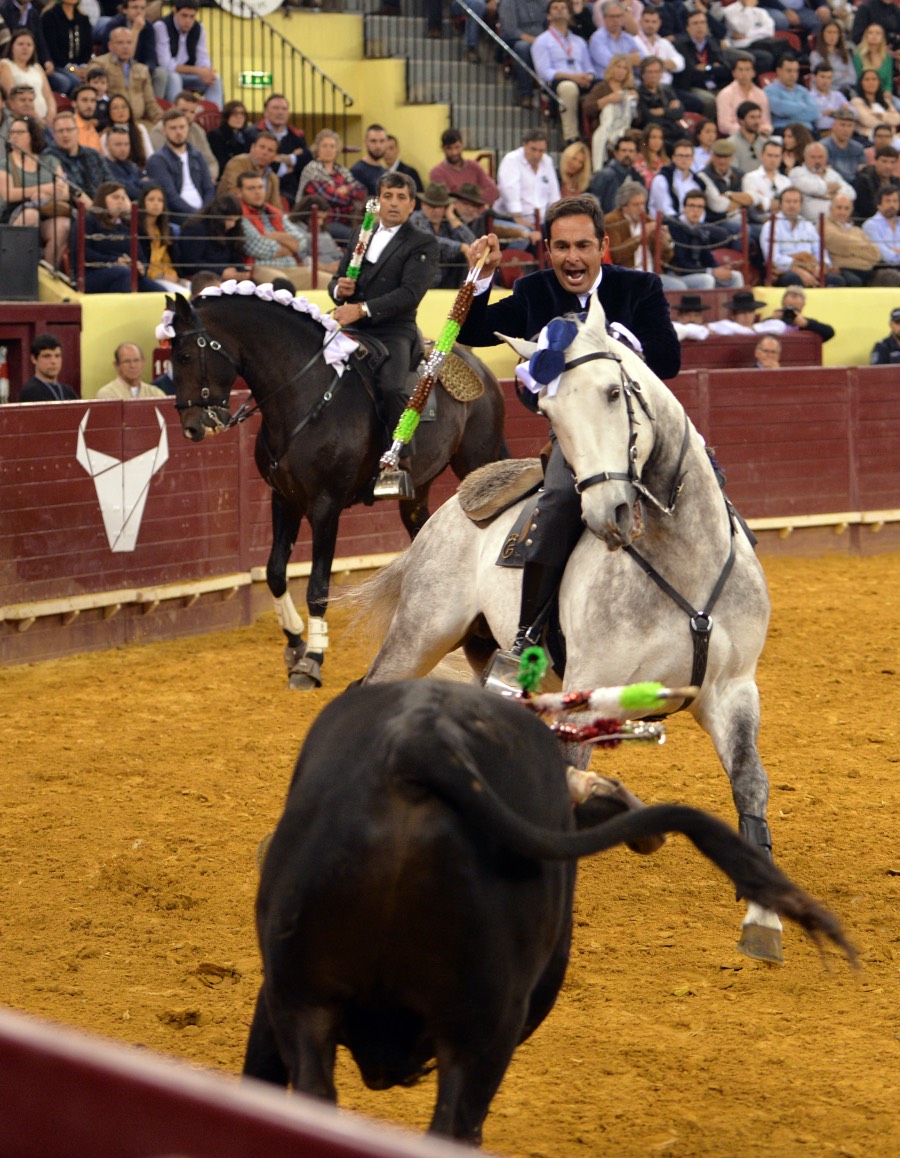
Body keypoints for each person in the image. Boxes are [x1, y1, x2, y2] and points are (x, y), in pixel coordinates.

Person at [456, 194, 680, 662]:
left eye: (582, 246)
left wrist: (616, 343)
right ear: (547, 249)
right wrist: (480, 276)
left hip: (642, 427)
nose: (571, 258)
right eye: (560, 247)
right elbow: (471, 332)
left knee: (702, 478)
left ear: (603, 246)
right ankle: (525, 637)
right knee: (558, 499)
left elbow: (669, 359)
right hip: (581, 435)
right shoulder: (534, 291)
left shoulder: (639, 287)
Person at [328, 171, 439, 479]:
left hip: (393, 330)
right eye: (388, 196)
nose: (393, 204)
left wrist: (361, 309)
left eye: (401, 198)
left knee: (390, 386)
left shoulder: (422, 242)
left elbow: (409, 294)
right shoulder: (360, 235)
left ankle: (401, 457)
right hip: (353, 326)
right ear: (377, 202)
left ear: (412, 205)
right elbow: (336, 280)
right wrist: (339, 290)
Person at [0, 116, 74, 266]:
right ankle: (20, 269)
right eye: (12, 132)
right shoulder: (5, 163)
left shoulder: (50, 161)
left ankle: (48, 271)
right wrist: (43, 189)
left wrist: (43, 196)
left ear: (32, 135)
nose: (14, 136)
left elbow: (64, 192)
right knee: (30, 215)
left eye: (20, 132)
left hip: (48, 210)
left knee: (63, 225)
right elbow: (9, 194)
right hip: (16, 212)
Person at [82, 180, 168, 293]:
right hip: (93, 273)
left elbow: (140, 256)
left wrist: (141, 267)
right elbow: (82, 252)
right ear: (102, 198)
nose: (120, 201)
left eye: (123, 198)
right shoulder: (88, 220)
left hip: (126, 272)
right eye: (115, 197)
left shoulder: (126, 225)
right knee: (123, 274)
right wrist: (115, 261)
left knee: (161, 292)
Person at [531, 0, 596, 146]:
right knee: (568, 88)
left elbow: (590, 68)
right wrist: (574, 77)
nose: (560, 10)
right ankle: (571, 137)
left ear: (569, 14)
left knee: (603, 86)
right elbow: (545, 72)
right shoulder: (542, 41)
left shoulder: (579, 41)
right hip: (557, 83)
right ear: (548, 16)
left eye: (563, 8)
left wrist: (589, 77)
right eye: (555, 8)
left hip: (583, 80)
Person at [236, 170, 311, 289]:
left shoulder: (272, 211)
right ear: (239, 192)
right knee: (283, 285)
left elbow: (301, 242)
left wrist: (275, 236)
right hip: (261, 268)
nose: (258, 192)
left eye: (260, 187)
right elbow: (259, 248)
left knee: (325, 281)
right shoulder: (239, 215)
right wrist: (289, 246)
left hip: (291, 266)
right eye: (251, 188)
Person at [760, 185, 846, 286]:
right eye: (788, 202)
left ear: (800, 204)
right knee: (793, 279)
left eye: (795, 202)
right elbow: (773, 258)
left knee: (836, 280)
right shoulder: (770, 226)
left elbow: (820, 251)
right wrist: (799, 269)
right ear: (780, 204)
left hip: (811, 267)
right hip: (785, 271)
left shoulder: (808, 225)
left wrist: (820, 267)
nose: (792, 205)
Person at [296, 127, 367, 243]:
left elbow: (362, 191)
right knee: (356, 237)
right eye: (324, 146)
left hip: (348, 219)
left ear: (337, 150)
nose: (328, 150)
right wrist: (349, 192)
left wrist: (345, 190)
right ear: (317, 149)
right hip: (323, 222)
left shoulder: (341, 170)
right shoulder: (312, 169)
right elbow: (328, 198)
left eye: (332, 146)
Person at [666, 186, 745, 288]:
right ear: (684, 207)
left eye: (700, 207)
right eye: (691, 206)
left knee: (735, 276)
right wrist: (711, 271)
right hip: (677, 274)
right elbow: (681, 262)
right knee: (707, 280)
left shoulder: (700, 227)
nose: (695, 210)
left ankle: (735, 304)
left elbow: (707, 257)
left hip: (697, 271)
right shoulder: (674, 225)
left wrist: (720, 269)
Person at [145, 107, 214, 221]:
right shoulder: (158, 160)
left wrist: (205, 213)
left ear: (188, 128)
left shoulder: (197, 155)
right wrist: (199, 217)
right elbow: (171, 197)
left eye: (182, 127)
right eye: (173, 128)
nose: (178, 132)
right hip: (178, 216)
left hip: (203, 214)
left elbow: (209, 189)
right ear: (164, 131)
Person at [153, 0, 223, 107]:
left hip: (190, 75)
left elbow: (202, 57)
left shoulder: (199, 28)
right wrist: (198, 71)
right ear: (175, 12)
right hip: (169, 75)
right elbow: (166, 64)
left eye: (192, 16)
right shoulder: (161, 26)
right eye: (184, 16)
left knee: (215, 79)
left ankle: (213, 116)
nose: (188, 21)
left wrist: (206, 71)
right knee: (175, 78)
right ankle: (178, 114)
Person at [93, 25, 163, 129]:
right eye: (120, 42)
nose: (125, 46)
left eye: (129, 43)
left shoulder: (142, 69)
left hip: (138, 123)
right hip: (110, 124)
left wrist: (163, 121)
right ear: (110, 45)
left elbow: (150, 102)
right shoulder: (99, 65)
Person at [246, 93, 311, 204]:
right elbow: (258, 162)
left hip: (294, 192)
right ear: (265, 112)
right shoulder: (252, 133)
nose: (280, 112)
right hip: (263, 189)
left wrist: (285, 158)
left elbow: (307, 160)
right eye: (275, 108)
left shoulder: (297, 135)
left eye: (284, 109)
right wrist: (291, 164)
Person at [493, 129, 561, 233]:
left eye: (541, 151)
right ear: (524, 145)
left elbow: (554, 194)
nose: (537, 155)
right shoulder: (511, 159)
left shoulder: (547, 161)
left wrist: (556, 218)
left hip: (542, 221)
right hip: (511, 218)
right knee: (525, 235)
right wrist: (517, 216)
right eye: (533, 149)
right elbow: (509, 190)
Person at [409, 181, 475, 289]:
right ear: (423, 205)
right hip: (422, 283)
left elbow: (472, 242)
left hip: (448, 282)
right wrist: (461, 247)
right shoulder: (416, 220)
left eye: (439, 206)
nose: (435, 210)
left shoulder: (447, 222)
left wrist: (451, 217)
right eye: (431, 206)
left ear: (445, 207)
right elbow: (429, 241)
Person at [604, 179, 675, 276]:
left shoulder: (649, 220)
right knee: (678, 287)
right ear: (624, 206)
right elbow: (617, 256)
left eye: (643, 204)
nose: (641, 208)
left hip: (652, 274)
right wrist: (641, 236)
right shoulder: (612, 221)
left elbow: (667, 257)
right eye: (636, 205)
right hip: (627, 276)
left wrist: (666, 241)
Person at [581, 52, 639, 168]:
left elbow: (637, 119)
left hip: (624, 126)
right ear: (611, 68)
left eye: (625, 68)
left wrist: (635, 103)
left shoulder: (630, 89)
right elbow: (587, 108)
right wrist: (607, 100)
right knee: (634, 136)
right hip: (605, 128)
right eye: (618, 67)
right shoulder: (601, 87)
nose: (621, 71)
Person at [672, 10, 732, 119]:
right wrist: (713, 68)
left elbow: (726, 69)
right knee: (709, 101)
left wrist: (707, 68)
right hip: (692, 87)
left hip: (715, 83)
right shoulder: (680, 45)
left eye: (702, 22)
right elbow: (690, 73)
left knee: (731, 96)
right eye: (695, 23)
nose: (700, 26)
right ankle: (708, 128)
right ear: (688, 28)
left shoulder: (713, 43)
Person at [101, 0, 167, 99]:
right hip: (116, 67)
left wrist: (143, 70)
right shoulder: (114, 25)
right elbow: (110, 55)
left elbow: (151, 57)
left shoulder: (148, 27)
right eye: (135, 7)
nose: (139, 12)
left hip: (141, 68)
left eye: (142, 8)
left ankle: (156, 104)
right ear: (124, 10)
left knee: (161, 73)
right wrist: (135, 30)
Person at [177, 192, 250, 280]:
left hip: (225, 277)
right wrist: (220, 272)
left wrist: (240, 271)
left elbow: (236, 256)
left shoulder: (233, 230)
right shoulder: (197, 228)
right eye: (229, 220)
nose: (232, 224)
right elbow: (190, 262)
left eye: (235, 220)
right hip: (199, 277)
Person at [149, 89, 218, 181]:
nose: (188, 116)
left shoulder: (198, 130)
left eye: (192, 112)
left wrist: (209, 176)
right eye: (184, 111)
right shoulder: (159, 131)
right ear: (173, 108)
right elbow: (161, 166)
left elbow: (211, 162)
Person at [45, 109, 111, 202]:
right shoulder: (49, 157)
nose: (65, 134)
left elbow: (109, 182)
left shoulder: (93, 154)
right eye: (60, 131)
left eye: (69, 130)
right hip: (71, 208)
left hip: (101, 205)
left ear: (77, 131)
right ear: (54, 134)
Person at [429, 128, 500, 208]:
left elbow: (493, 190)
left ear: (462, 145)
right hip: (452, 217)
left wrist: (475, 204)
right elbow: (444, 201)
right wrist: (473, 202)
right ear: (443, 148)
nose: (454, 152)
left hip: (478, 216)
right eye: (449, 148)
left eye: (457, 147)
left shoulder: (474, 166)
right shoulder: (437, 172)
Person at [696, 138, 753, 238]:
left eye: (726, 157)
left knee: (767, 229)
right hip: (717, 221)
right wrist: (741, 200)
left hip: (744, 218)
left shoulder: (739, 174)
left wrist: (729, 195)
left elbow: (751, 199)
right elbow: (717, 206)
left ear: (731, 157)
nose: (722, 161)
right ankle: (739, 254)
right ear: (712, 156)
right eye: (719, 156)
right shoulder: (704, 175)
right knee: (744, 229)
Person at [824, 191, 882, 284]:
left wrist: (850, 250)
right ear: (831, 209)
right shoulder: (825, 226)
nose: (842, 212)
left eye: (846, 208)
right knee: (854, 281)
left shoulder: (856, 230)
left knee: (889, 276)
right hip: (843, 270)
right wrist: (863, 248)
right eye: (839, 208)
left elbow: (876, 254)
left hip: (866, 270)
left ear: (851, 211)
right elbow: (840, 244)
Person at [789, 140, 855, 221]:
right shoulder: (797, 172)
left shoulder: (832, 174)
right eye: (813, 157)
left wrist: (824, 195)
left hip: (835, 222)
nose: (817, 161)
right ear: (805, 157)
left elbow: (851, 193)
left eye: (820, 157)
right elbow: (812, 188)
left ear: (826, 158)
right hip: (810, 222)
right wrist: (833, 192)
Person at [498, 0, 548, 107]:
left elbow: (549, 24)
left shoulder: (544, 2)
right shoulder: (509, 2)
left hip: (543, 39)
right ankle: (526, 93)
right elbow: (510, 30)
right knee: (522, 48)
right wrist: (536, 41)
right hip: (518, 39)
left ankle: (547, 93)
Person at [0, 28, 56, 123]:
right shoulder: (5, 65)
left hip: (44, 119)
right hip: (21, 119)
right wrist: (38, 118)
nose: (25, 48)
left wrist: (51, 116)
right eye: (20, 44)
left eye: (29, 45)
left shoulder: (37, 67)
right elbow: (11, 98)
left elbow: (49, 96)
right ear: (12, 46)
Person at [137, 182, 185, 292]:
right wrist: (160, 276)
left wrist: (172, 275)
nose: (156, 204)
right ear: (143, 202)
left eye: (160, 200)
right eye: (151, 199)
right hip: (148, 279)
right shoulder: (135, 229)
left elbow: (169, 260)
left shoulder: (167, 230)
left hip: (168, 277)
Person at [635, 55, 688, 150]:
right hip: (654, 134)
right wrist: (671, 112)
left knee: (687, 137)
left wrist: (663, 111)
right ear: (642, 74)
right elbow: (649, 118)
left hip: (673, 131)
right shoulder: (638, 93)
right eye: (649, 72)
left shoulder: (667, 90)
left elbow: (680, 112)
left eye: (656, 72)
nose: (653, 75)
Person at [41, 0, 93, 96]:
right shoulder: (50, 16)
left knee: (96, 78)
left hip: (80, 67)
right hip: (57, 66)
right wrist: (73, 69)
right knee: (71, 82)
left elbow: (88, 48)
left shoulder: (83, 18)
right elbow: (52, 50)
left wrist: (83, 68)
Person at [217, 131, 280, 205]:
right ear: (252, 148)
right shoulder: (237, 163)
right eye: (262, 147)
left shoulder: (273, 178)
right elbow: (234, 193)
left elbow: (276, 205)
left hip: (260, 214)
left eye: (270, 150)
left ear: (275, 156)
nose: (265, 152)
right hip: (232, 212)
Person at [587, 131, 643, 212]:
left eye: (631, 151)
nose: (627, 154)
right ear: (616, 153)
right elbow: (594, 205)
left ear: (636, 154)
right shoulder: (605, 175)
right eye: (624, 150)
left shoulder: (637, 177)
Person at [649, 136, 704, 218]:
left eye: (687, 156)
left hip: (693, 225)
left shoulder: (697, 183)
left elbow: (701, 210)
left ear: (692, 158)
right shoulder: (662, 179)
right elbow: (665, 209)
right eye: (681, 156)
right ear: (673, 158)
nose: (684, 160)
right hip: (667, 224)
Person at [715, 57, 772, 137]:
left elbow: (766, 122)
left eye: (747, 69)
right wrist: (746, 131)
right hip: (734, 136)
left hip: (758, 135)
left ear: (753, 73)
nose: (744, 73)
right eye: (740, 70)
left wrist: (764, 131)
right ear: (734, 73)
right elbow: (724, 125)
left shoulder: (761, 94)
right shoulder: (725, 94)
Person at [766, 56, 820, 134]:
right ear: (779, 71)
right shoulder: (770, 90)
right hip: (783, 130)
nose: (792, 75)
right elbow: (779, 109)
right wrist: (802, 106)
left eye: (795, 71)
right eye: (789, 71)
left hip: (807, 131)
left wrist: (787, 114)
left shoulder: (803, 91)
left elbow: (814, 113)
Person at [634, 9, 686, 88]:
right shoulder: (634, 41)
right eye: (647, 21)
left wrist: (660, 65)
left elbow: (680, 63)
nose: (650, 25)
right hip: (643, 87)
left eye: (654, 22)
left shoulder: (663, 42)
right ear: (640, 22)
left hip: (666, 87)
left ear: (659, 23)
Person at [96, 342, 167, 398]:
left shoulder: (155, 393)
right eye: (126, 361)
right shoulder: (107, 394)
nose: (132, 366)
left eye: (136, 360)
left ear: (143, 362)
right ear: (116, 365)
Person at [100, 93, 152, 169]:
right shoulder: (105, 137)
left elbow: (150, 155)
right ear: (109, 113)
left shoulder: (140, 128)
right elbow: (110, 164)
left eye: (124, 107)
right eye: (115, 108)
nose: (120, 111)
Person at [20, 333, 77, 401]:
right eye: (47, 356)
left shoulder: (68, 391)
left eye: (57, 356)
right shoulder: (30, 392)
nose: (53, 361)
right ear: (34, 359)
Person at [809, 20, 857, 95]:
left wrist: (834, 76)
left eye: (835, 32)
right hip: (824, 93)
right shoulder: (815, 55)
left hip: (846, 92)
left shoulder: (845, 54)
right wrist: (842, 74)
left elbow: (853, 78)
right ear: (822, 34)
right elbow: (822, 79)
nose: (832, 36)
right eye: (829, 32)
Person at [769, 286, 836, 340]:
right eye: (788, 308)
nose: (791, 313)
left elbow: (830, 332)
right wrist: (772, 321)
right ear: (783, 304)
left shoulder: (807, 324)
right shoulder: (774, 321)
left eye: (795, 310)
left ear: (802, 306)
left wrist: (806, 324)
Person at [850, 69, 900, 139]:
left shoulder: (885, 101)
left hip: (891, 137)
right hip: (868, 138)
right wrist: (889, 121)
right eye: (867, 80)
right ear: (861, 83)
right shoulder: (856, 101)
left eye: (874, 79)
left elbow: (897, 119)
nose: (871, 82)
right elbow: (868, 121)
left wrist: (882, 116)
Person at [853, 145, 899, 220]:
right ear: (876, 161)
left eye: (892, 162)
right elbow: (865, 209)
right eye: (884, 161)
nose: (888, 166)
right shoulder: (864, 180)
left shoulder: (896, 182)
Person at [861, 184, 900, 271]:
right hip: (883, 269)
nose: (892, 205)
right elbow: (885, 256)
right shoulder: (871, 225)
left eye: (895, 201)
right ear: (879, 205)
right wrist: (895, 252)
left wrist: (895, 251)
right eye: (888, 201)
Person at [823, 107, 866, 185]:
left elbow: (862, 169)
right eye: (842, 125)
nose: (846, 129)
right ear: (833, 126)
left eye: (849, 126)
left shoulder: (858, 148)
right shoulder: (823, 147)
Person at [727, 100, 770, 175]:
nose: (757, 121)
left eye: (759, 117)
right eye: (752, 117)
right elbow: (733, 172)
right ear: (741, 121)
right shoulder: (730, 144)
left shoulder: (765, 143)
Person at [207, 100, 251, 172]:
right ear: (226, 116)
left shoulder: (247, 137)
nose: (239, 117)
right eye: (235, 114)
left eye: (242, 114)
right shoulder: (215, 136)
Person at [102, 124, 144, 199]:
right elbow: (130, 191)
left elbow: (149, 185)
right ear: (107, 145)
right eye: (118, 145)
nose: (123, 149)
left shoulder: (132, 166)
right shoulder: (104, 167)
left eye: (126, 144)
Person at [809, 63, 850, 134]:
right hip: (820, 132)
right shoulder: (809, 97)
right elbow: (815, 119)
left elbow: (854, 113)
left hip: (842, 132)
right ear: (814, 77)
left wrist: (835, 113)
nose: (825, 81)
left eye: (829, 78)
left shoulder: (838, 95)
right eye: (822, 77)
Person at [853, 22, 894, 95]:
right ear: (866, 36)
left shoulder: (887, 57)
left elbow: (888, 81)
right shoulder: (858, 56)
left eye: (878, 33)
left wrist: (888, 91)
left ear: (882, 37)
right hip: (864, 94)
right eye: (870, 33)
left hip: (883, 93)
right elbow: (858, 78)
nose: (874, 35)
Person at [351, 123, 388, 196]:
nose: (378, 146)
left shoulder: (386, 172)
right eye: (373, 141)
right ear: (365, 142)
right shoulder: (357, 171)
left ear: (386, 142)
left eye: (382, 141)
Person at [72, 85, 102, 152]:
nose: (89, 105)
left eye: (93, 100)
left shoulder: (94, 131)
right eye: (84, 100)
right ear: (74, 103)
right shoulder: (69, 128)